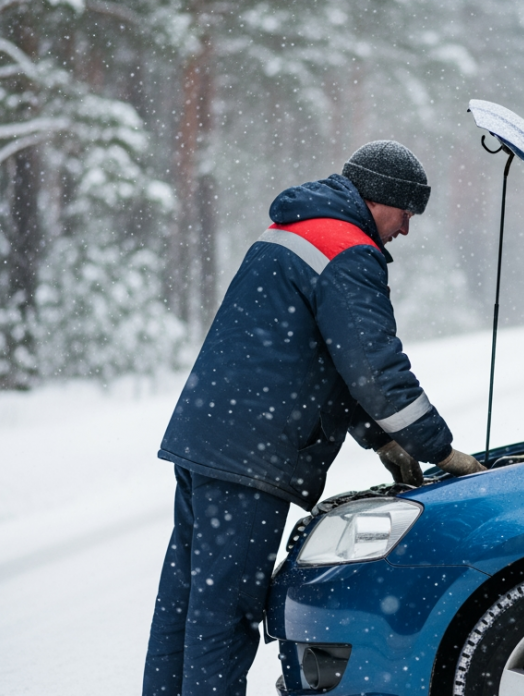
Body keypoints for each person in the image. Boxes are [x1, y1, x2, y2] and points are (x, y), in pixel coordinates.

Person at [142, 140, 484, 696]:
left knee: (184, 602)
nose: (406, 230)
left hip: (208, 437)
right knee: (224, 615)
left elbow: (317, 356)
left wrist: (379, 439)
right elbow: (375, 367)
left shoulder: (298, 229)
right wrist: (438, 449)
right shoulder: (348, 248)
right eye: (406, 213)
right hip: (251, 456)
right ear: (383, 199)